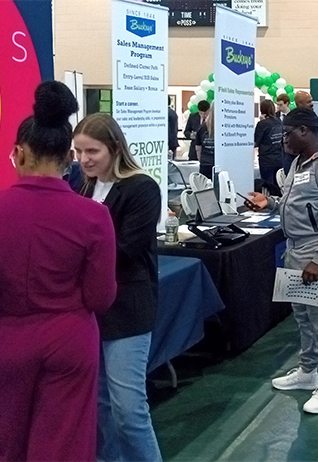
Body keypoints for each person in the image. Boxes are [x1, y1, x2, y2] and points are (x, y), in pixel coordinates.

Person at [0, 81, 117, 461]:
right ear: (69, 156)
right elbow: (100, 297)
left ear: (18, 153)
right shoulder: (94, 216)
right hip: (70, 339)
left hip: (8, 338)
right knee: (63, 443)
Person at [246, 107, 318, 414]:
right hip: (294, 248)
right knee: (302, 315)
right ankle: (308, 371)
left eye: (287, 134)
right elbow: (298, 202)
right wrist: (271, 202)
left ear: (304, 130)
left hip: (316, 251)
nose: (283, 141)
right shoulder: (299, 163)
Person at [74, 113, 162, 461]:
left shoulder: (142, 188)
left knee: (129, 411)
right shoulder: (84, 186)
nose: (84, 159)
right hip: (91, 309)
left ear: (114, 148)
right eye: (78, 151)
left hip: (128, 310)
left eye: (92, 151)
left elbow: (127, 249)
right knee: (100, 407)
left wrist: (75, 258)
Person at [255, 99, 283, 185]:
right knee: (278, 185)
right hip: (279, 158)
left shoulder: (262, 124)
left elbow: (256, 142)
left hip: (266, 160)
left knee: (267, 186)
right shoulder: (279, 121)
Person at [195, 104, 215, 179]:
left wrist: (202, 160)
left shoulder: (202, 127)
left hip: (205, 164)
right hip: (220, 164)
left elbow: (198, 148)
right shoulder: (225, 127)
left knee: (205, 189)